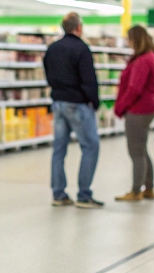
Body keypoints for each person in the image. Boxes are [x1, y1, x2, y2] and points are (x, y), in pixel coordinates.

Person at [43, 12, 103, 209]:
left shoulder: (52, 49)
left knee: (59, 149)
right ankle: (84, 195)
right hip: (77, 103)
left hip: (58, 102)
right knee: (90, 146)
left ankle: (58, 194)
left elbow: (48, 75)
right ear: (78, 28)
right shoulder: (81, 48)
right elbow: (89, 79)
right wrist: (94, 101)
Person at [114, 25, 154, 202]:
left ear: (136, 39)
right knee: (142, 149)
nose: (128, 42)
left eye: (129, 38)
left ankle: (136, 191)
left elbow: (134, 88)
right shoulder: (151, 56)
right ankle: (148, 188)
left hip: (138, 110)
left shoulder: (143, 60)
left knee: (135, 151)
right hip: (147, 108)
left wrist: (120, 107)